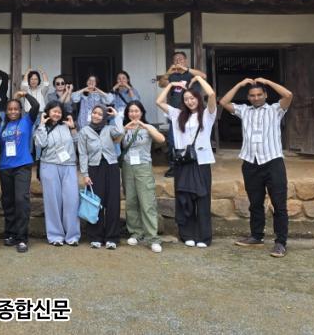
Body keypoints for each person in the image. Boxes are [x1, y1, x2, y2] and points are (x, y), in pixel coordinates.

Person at [219, 77, 293, 258]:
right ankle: (256, 236)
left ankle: (280, 243)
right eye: (252, 95)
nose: (256, 97)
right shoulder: (244, 111)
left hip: (273, 162)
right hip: (250, 163)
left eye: (260, 94)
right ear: (248, 97)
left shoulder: (276, 109)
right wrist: (239, 84)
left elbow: (288, 95)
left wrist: (267, 81)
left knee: (279, 205)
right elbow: (223, 102)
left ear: (265, 95)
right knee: (255, 203)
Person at [157, 75, 217, 248]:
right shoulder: (178, 115)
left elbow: (211, 94)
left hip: (201, 162)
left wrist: (198, 77)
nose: (190, 101)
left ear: (198, 98)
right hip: (183, 162)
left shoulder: (207, 115)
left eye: (192, 98)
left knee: (202, 199)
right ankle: (187, 234)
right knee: (184, 198)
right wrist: (171, 85)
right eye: (186, 99)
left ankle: (204, 237)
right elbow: (159, 101)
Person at [120, 100, 166, 253]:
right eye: (131, 111)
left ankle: (152, 237)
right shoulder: (125, 128)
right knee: (131, 201)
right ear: (127, 113)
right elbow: (115, 141)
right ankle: (136, 233)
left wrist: (145, 126)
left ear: (141, 112)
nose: (133, 114)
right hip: (127, 167)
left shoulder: (148, 127)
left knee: (147, 202)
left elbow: (161, 139)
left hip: (143, 167)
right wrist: (124, 129)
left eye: (136, 111)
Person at [0, 91, 40, 253]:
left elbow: (36, 105)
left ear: (20, 110)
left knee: (21, 200)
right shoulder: (3, 126)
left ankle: (22, 238)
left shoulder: (27, 121)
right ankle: (11, 234)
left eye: (16, 109)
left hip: (22, 166)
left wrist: (25, 94)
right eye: (10, 109)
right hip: (4, 167)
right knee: (8, 201)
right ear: (6, 111)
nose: (13, 111)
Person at [78, 105, 124, 249]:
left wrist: (116, 116)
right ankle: (96, 237)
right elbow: (83, 154)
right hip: (94, 168)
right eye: (94, 113)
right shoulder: (84, 131)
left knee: (113, 202)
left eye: (100, 114)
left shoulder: (109, 129)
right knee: (95, 202)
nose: (96, 116)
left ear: (104, 117)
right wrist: (85, 174)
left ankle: (112, 238)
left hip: (112, 167)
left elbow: (120, 132)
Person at [35, 101, 80, 246]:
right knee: (52, 202)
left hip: (69, 165)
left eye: (59, 112)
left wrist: (73, 128)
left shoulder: (66, 126)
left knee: (72, 200)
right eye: (54, 111)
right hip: (49, 165)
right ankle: (55, 236)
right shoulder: (42, 127)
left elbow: (78, 143)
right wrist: (42, 125)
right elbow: (40, 144)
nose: (57, 114)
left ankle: (72, 235)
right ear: (48, 112)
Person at [159, 52, 207, 178]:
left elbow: (203, 76)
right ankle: (174, 166)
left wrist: (186, 69)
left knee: (193, 138)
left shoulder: (191, 73)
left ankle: (195, 162)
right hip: (176, 112)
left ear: (186, 60)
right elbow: (161, 84)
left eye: (181, 59)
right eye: (176, 59)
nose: (178, 61)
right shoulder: (172, 75)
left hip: (192, 111)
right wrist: (169, 72)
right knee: (172, 139)